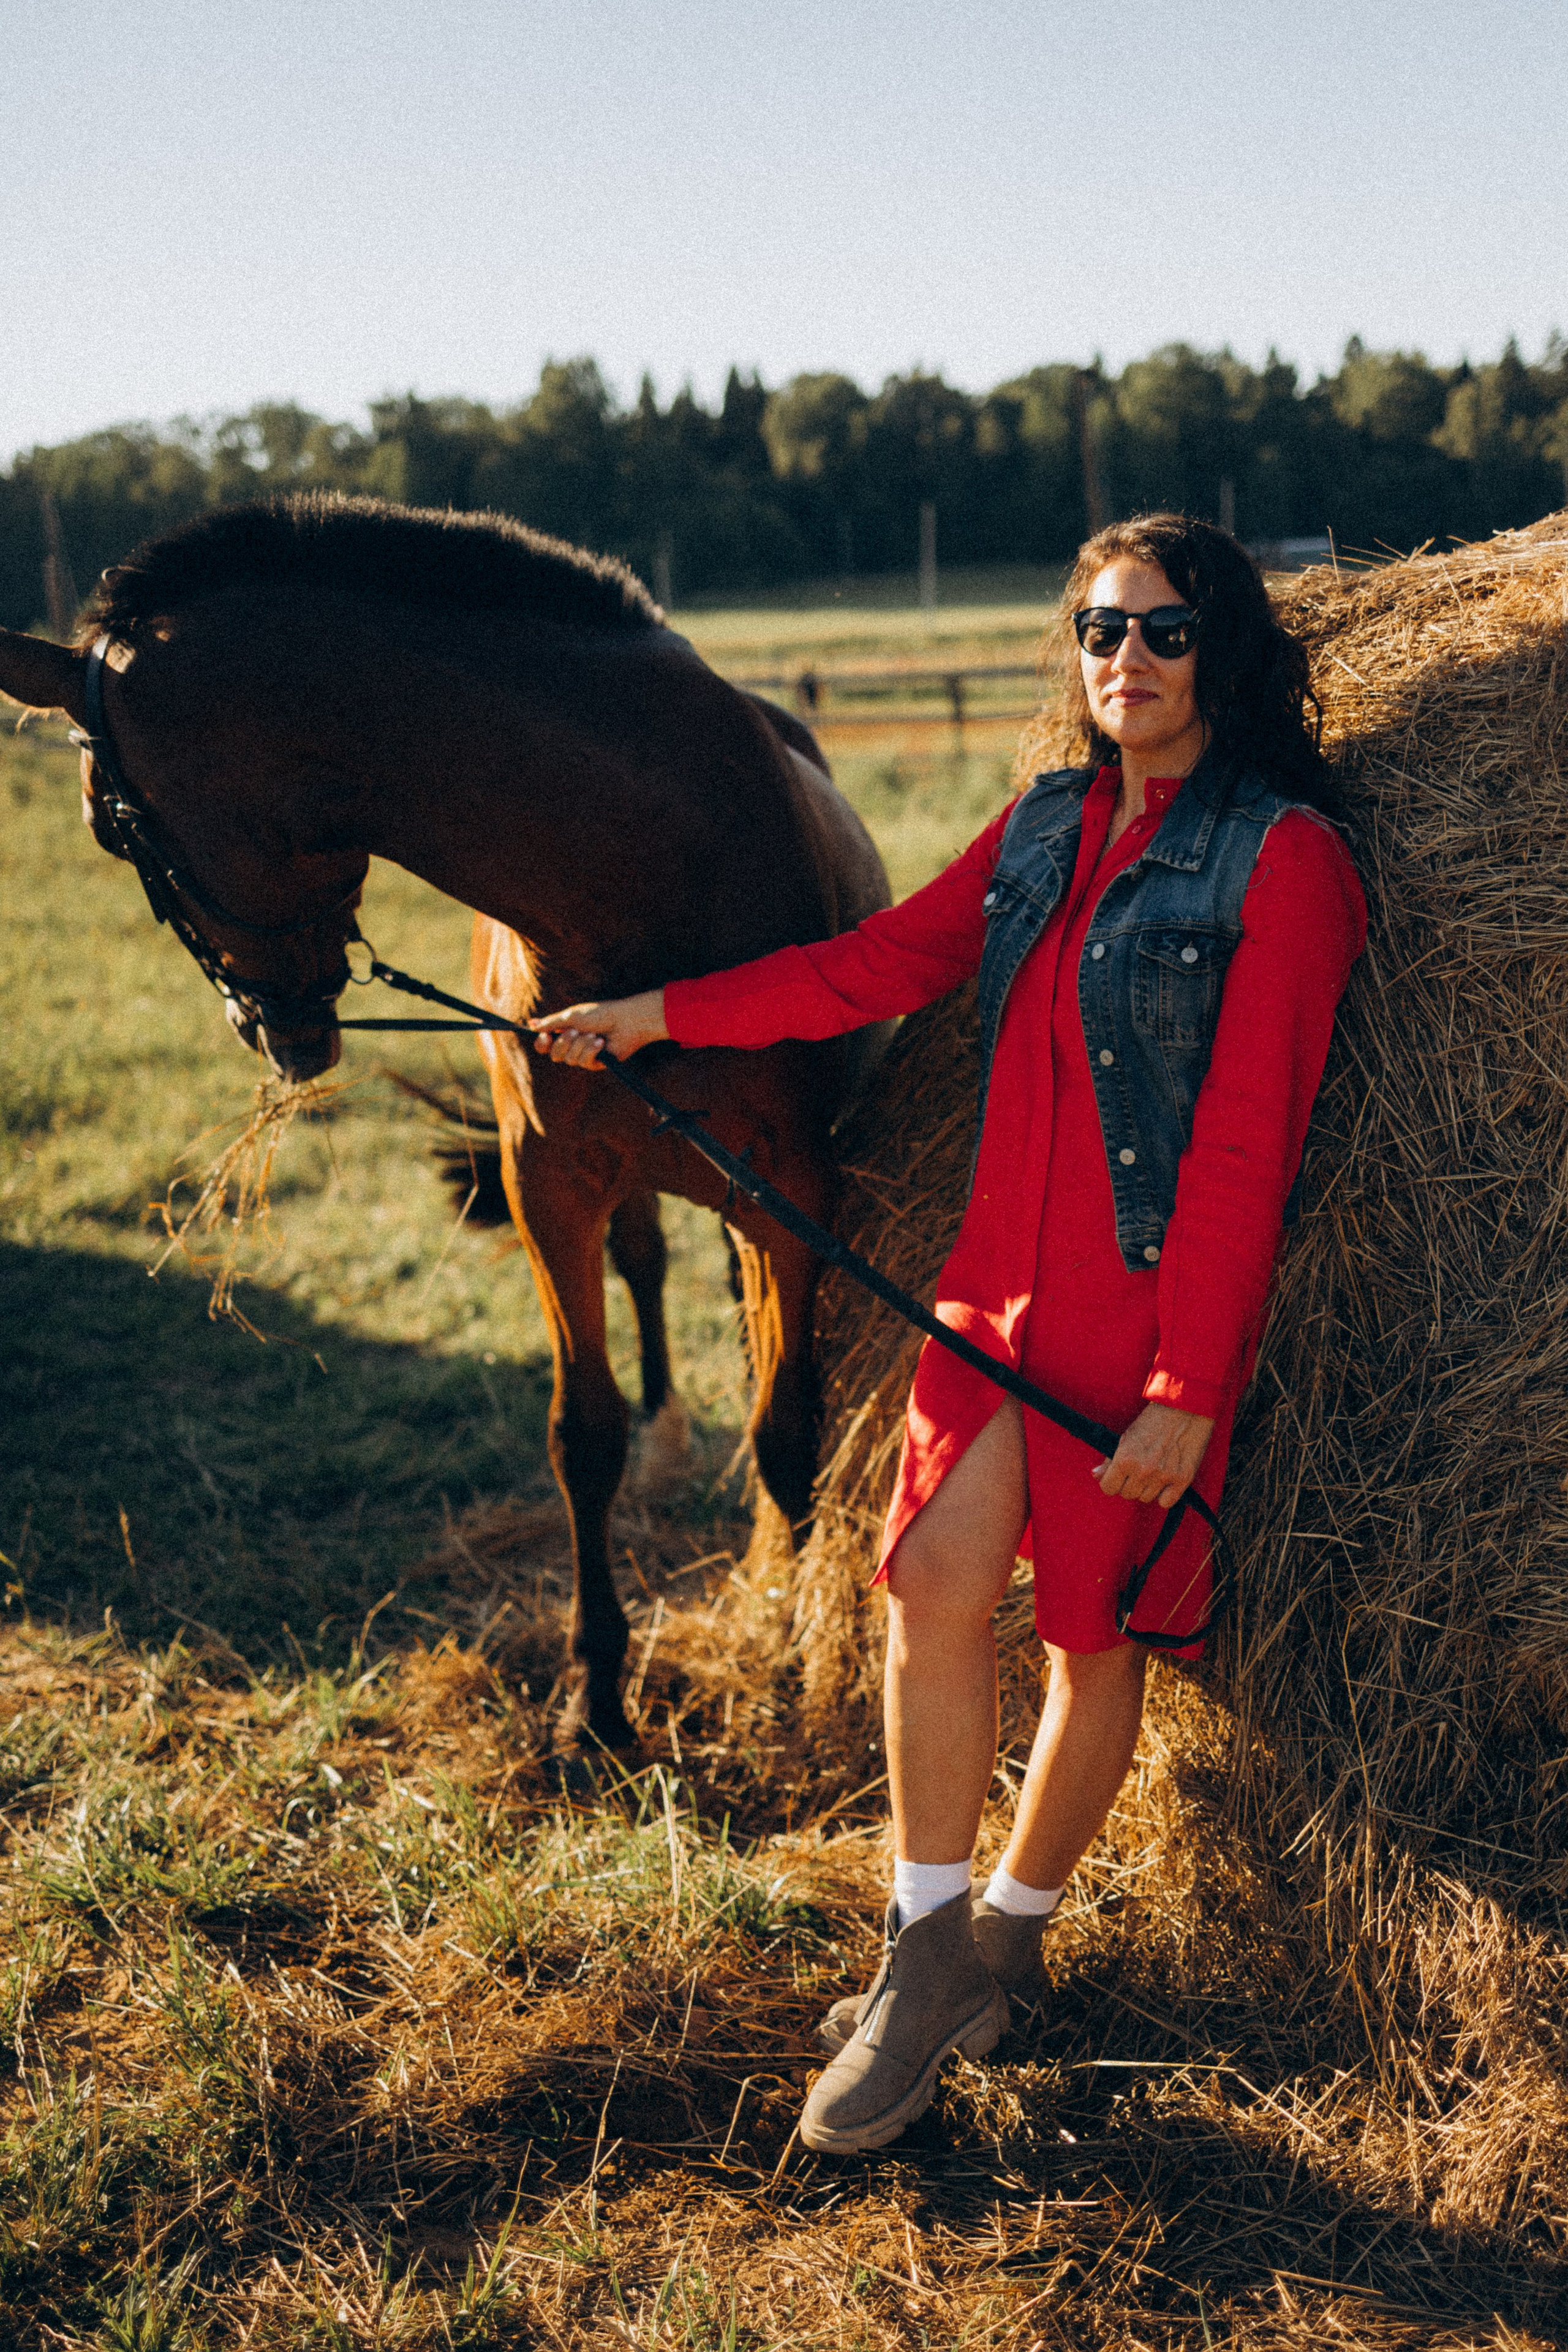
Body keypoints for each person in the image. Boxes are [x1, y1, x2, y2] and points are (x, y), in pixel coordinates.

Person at [530, 514, 1366, 2156]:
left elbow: (1250, 1145)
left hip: (1139, 1317)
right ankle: (929, 1954)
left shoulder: (1283, 862)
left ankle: (1012, 1940)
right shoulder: (1046, 826)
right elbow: (878, 966)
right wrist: (658, 1016)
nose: (1125, 660)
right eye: (1101, 632)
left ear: (1228, 654)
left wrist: (1192, 1389)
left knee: (1092, 1639)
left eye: (1165, 633)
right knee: (927, 1586)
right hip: (990, 1295)